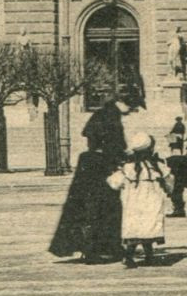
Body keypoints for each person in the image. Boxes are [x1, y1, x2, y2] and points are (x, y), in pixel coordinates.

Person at [49, 90, 134, 264]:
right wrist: (123, 156)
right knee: (102, 209)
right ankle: (98, 248)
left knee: (86, 207)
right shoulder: (111, 117)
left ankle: (97, 247)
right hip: (101, 167)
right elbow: (114, 144)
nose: (132, 111)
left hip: (90, 165)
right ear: (122, 102)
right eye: (131, 107)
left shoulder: (103, 114)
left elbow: (90, 135)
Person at [108, 132, 173, 268]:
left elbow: (114, 182)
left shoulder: (128, 167)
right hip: (152, 202)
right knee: (148, 228)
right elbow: (169, 183)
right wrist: (167, 190)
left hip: (133, 203)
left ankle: (130, 257)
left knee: (135, 229)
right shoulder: (157, 166)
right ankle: (148, 256)